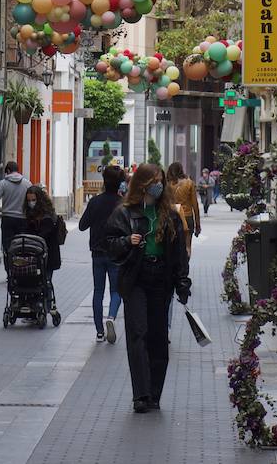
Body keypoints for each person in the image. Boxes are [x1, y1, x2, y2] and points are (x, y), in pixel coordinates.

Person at [104, 164, 192, 414]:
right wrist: (126, 241)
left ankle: (154, 393)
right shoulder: (124, 213)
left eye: (160, 181)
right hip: (136, 278)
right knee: (138, 334)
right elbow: (109, 244)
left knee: (158, 336)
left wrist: (182, 281)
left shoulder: (170, 215)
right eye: (154, 181)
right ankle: (141, 394)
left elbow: (179, 253)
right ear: (142, 184)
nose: (159, 185)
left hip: (160, 278)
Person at [79, 163, 126, 344]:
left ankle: (99, 331)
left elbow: (82, 226)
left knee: (98, 291)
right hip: (117, 253)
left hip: (97, 253)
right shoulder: (123, 204)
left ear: (104, 181)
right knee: (116, 290)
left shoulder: (95, 202)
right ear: (120, 183)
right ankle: (111, 317)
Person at [0, 161, 31, 256]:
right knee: (22, 246)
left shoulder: (3, 183)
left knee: (7, 247)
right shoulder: (27, 183)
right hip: (23, 220)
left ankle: (8, 263)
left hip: (8, 219)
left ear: (8, 171)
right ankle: (20, 263)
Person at [23, 185, 62, 278]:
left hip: (47, 255)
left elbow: (42, 236)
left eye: (33, 200)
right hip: (37, 255)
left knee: (45, 280)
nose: (31, 203)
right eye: (28, 200)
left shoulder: (47, 217)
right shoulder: (30, 213)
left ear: (39, 200)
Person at [166, 162, 201, 255]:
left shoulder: (168, 184)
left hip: (172, 217)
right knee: (187, 246)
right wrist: (198, 224)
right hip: (187, 217)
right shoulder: (189, 183)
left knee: (173, 247)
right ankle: (186, 261)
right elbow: (195, 205)